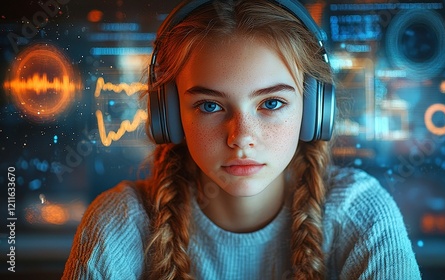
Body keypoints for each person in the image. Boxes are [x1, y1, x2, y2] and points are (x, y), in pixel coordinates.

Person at [63, 0, 421, 279]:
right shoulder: (120, 223)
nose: (241, 138)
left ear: (313, 110)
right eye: (209, 105)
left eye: (272, 103)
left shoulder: (360, 214)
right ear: (169, 115)